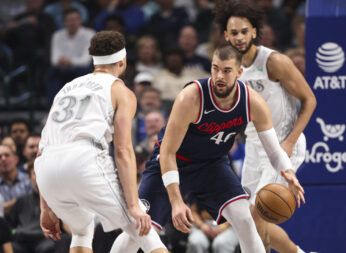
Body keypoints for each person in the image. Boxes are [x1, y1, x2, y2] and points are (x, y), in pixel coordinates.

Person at [118, 44, 305, 253]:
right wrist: (177, 201)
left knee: (245, 220)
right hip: (173, 163)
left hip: (212, 165)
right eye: (215, 69)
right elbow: (168, 152)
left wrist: (288, 172)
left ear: (239, 73)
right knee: (139, 230)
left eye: (226, 70)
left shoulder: (253, 102)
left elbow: (273, 151)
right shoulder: (191, 97)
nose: (219, 76)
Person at [34, 30, 167, 253]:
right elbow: (123, 150)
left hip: (46, 169)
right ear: (122, 61)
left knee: (82, 229)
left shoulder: (65, 89)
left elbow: (42, 148)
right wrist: (133, 206)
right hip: (83, 159)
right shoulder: (121, 91)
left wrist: (45, 207)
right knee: (141, 226)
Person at [214, 1, 317, 252]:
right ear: (225, 35)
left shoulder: (274, 61)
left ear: (254, 32)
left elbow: (310, 100)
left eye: (244, 31)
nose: (239, 37)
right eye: (234, 32)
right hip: (253, 143)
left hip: (282, 142)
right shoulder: (229, 67)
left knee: (259, 210)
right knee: (247, 219)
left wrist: (290, 143)